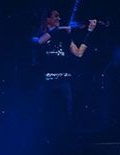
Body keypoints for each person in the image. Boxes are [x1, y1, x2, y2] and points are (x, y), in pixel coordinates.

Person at [32, 9, 97, 145]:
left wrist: (89, 32)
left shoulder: (64, 36)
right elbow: (39, 42)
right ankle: (44, 141)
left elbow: (78, 53)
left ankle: (64, 142)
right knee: (45, 112)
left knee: (67, 112)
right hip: (47, 81)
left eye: (59, 17)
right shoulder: (40, 35)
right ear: (47, 19)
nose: (59, 19)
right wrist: (59, 29)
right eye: (56, 16)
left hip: (64, 82)